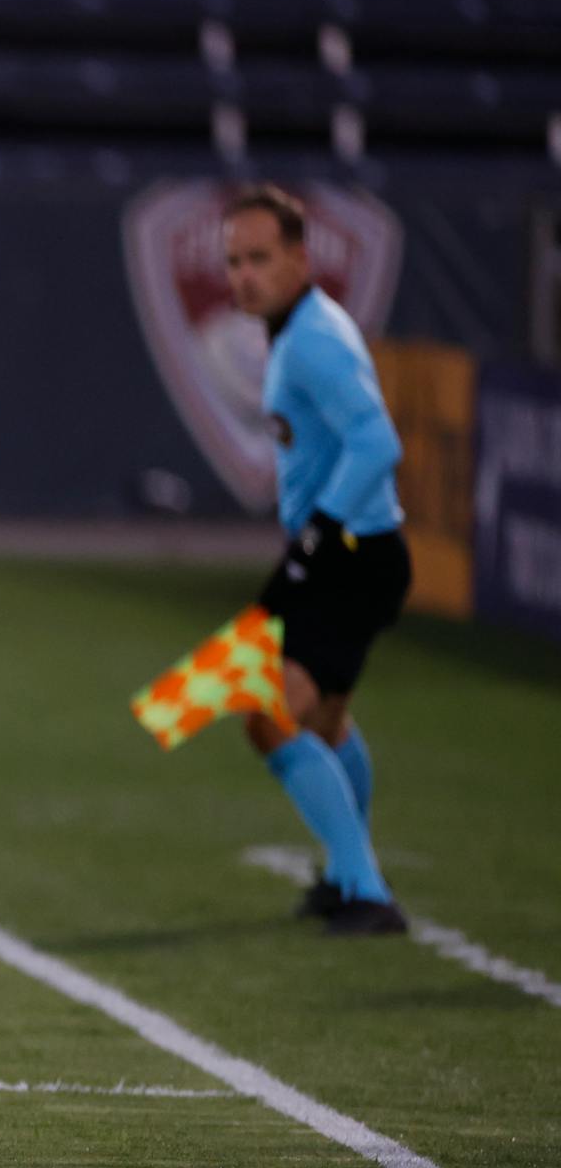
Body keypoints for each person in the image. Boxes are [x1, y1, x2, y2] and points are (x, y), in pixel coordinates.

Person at [222, 185, 413, 937]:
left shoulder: (312, 340)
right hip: (358, 553)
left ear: (300, 260)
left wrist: (319, 534)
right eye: (235, 261)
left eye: (260, 259)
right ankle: (345, 878)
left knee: (268, 718)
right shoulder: (301, 329)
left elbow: (378, 442)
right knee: (326, 721)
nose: (245, 276)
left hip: (349, 557)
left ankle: (366, 889)